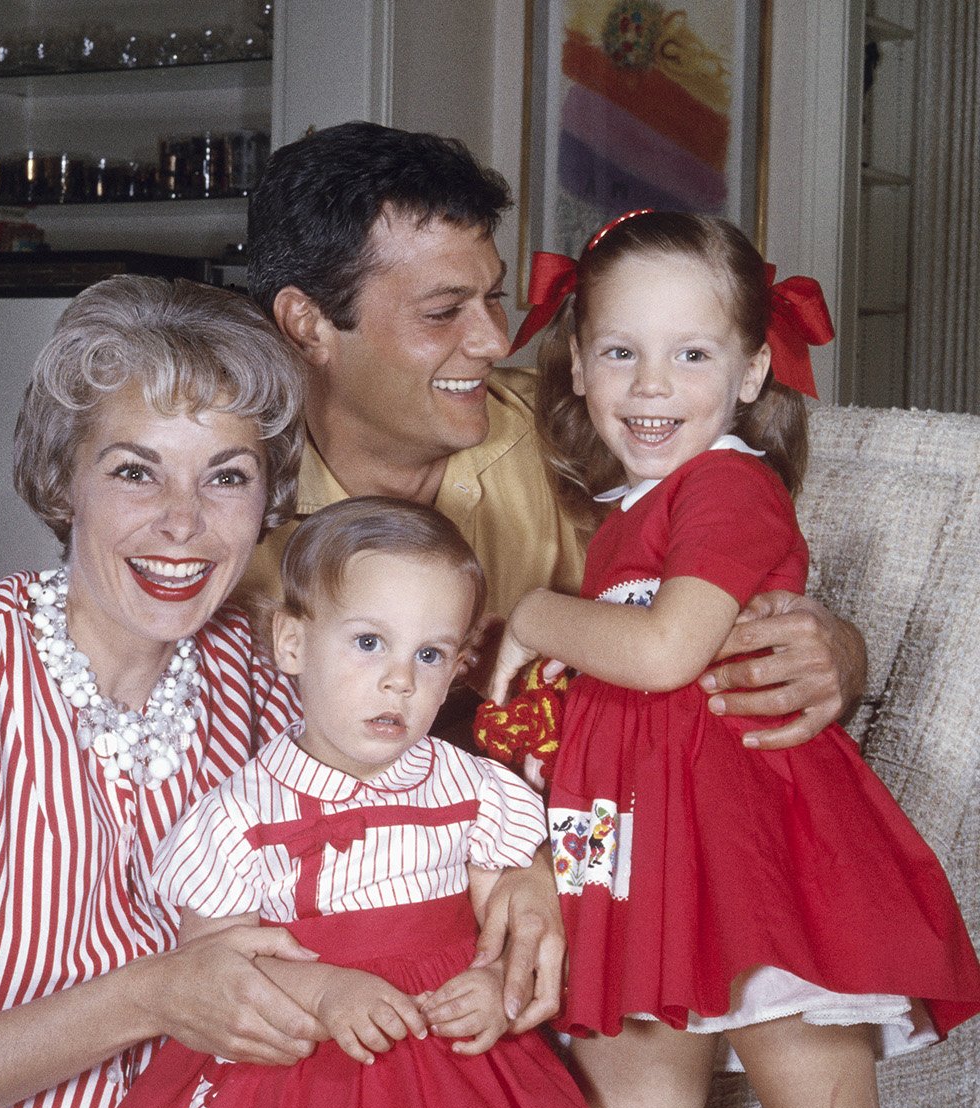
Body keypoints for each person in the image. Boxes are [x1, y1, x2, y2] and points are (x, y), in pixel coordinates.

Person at [0, 277, 562, 1108]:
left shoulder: (264, 673)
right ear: (63, 480)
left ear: (266, 500)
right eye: (136, 471)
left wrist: (529, 870)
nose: (184, 522)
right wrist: (153, 994)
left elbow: (428, 795)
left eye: (227, 477)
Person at [487, 209, 980, 1108]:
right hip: (630, 856)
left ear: (752, 372)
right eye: (621, 351)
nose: (652, 385)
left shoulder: (727, 487)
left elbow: (667, 654)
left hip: (749, 862)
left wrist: (535, 615)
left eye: (692, 354)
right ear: (577, 364)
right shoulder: (628, 512)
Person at [241, 121, 864, 754]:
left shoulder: (580, 426)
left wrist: (840, 651)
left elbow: (729, 568)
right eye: (442, 311)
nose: (493, 340)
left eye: (495, 297)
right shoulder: (219, 503)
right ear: (308, 322)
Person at [102, 497, 597, 1108]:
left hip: (448, 1078)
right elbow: (213, 965)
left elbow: (512, 928)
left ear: (459, 666)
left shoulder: (478, 790)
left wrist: (493, 987)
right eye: (369, 643)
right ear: (293, 644)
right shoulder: (240, 814)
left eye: (429, 655)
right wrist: (328, 990)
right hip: (298, 1082)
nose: (401, 679)